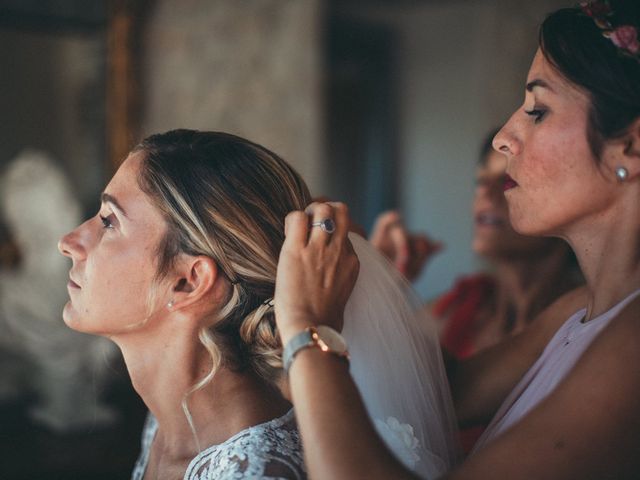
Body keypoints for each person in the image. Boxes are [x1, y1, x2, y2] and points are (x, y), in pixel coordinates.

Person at [273, 0, 640, 478]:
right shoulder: (577, 311)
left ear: (631, 148)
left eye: (537, 109)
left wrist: (306, 325)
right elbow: (450, 388)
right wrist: (365, 277)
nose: (503, 137)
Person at [58, 130, 457, 479]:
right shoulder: (169, 419)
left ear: (188, 281)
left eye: (109, 222)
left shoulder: (257, 471)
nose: (69, 241)